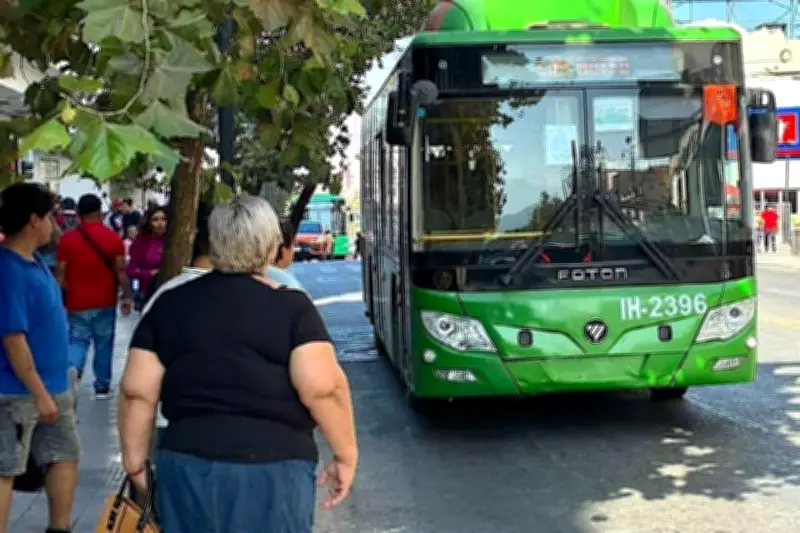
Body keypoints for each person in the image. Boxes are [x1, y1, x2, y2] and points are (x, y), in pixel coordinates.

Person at [118, 196, 357, 533]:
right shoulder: (292, 308)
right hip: (274, 467)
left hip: (188, 461)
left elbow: (136, 391)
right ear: (272, 246)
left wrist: (135, 463)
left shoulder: (171, 303)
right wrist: (345, 455)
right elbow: (323, 388)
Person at [0, 183, 80, 533]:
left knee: (64, 455)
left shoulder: (35, 263)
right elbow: (14, 341)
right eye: (49, 216)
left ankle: (59, 528)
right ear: (33, 220)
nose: (53, 224)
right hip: (18, 391)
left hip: (55, 384)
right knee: (6, 468)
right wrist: (39, 392)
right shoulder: (8, 270)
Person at [56, 194, 132, 400]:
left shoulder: (67, 239)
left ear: (78, 213)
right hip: (105, 300)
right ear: (100, 211)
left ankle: (73, 371)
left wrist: (61, 297)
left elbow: (60, 274)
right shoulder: (112, 238)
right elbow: (120, 271)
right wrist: (126, 296)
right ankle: (102, 386)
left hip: (76, 301)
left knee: (77, 340)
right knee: (104, 343)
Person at [126, 206, 167, 310]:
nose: (160, 223)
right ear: (149, 222)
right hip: (149, 292)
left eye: (163, 219)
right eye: (155, 220)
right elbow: (130, 271)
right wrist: (149, 273)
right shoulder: (141, 242)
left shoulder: (173, 241)